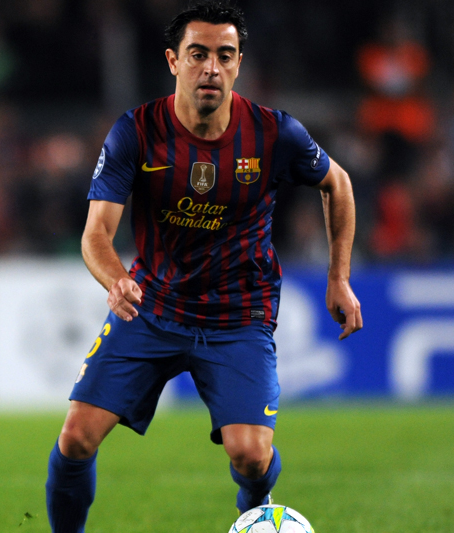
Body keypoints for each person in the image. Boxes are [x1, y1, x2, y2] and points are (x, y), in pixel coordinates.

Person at [44, 2, 363, 531]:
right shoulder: (136, 131)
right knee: (76, 436)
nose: (211, 67)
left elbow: (339, 183)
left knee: (251, 455)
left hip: (238, 315)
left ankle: (256, 503)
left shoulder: (274, 133)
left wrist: (339, 278)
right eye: (198, 54)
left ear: (239, 63)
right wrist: (116, 280)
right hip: (152, 307)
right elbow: (96, 233)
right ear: (174, 61)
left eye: (224, 55)